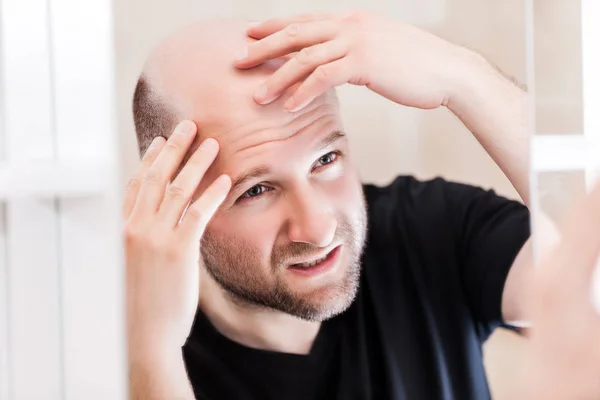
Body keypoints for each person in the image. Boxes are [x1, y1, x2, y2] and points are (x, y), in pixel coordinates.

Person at [124, 12, 600, 399]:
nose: (316, 226)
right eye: (256, 190)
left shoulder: (426, 229)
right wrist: (153, 353)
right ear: (171, 200)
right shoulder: (128, 351)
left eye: (326, 159)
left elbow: (591, 281)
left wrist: (465, 78)